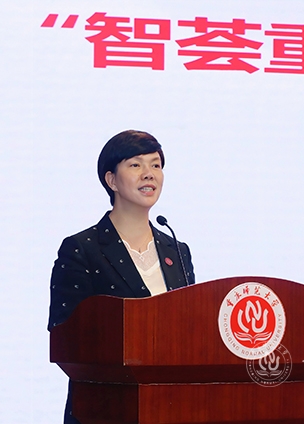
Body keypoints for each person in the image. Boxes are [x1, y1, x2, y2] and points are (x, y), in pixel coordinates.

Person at [47, 130, 195, 423]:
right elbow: (64, 337)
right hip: (104, 409)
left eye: (155, 165)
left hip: (170, 407)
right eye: (136, 164)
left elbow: (190, 330)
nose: (149, 174)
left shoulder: (177, 251)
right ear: (111, 180)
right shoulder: (82, 249)